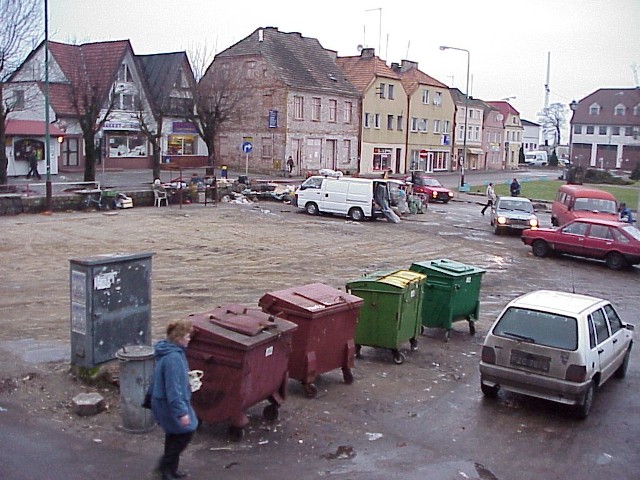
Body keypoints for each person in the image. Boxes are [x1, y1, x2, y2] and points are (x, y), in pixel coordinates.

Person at [150, 319, 198, 480]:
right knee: (185, 432)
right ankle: (164, 468)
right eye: (187, 336)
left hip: (161, 401)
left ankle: (170, 470)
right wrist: (181, 412)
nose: (189, 339)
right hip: (170, 404)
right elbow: (173, 390)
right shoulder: (174, 359)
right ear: (178, 338)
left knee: (173, 435)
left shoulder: (168, 352)